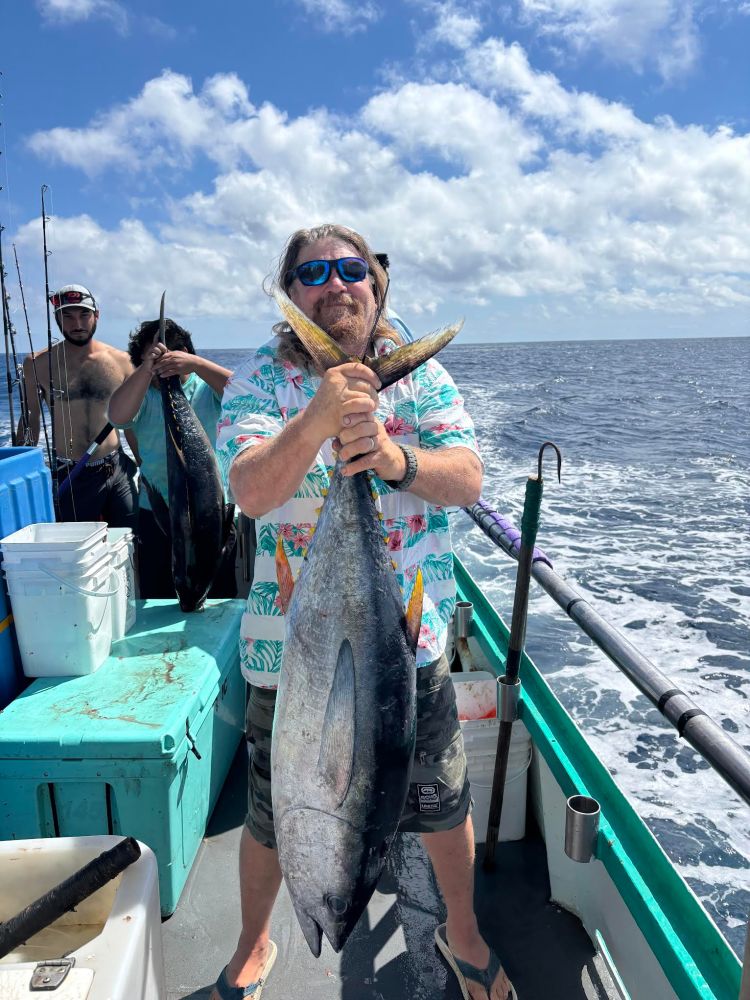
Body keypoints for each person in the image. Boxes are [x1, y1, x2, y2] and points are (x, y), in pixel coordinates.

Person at [213, 224, 516, 1000]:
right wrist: (318, 417)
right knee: (268, 816)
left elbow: (470, 479)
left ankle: (465, 931)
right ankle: (253, 945)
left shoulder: (424, 381)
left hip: (409, 649)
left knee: (443, 801)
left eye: (352, 269)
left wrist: (392, 460)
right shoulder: (259, 379)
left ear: (378, 287)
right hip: (291, 659)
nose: (334, 283)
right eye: (311, 272)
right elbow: (249, 491)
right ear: (292, 294)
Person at [107, 318, 236, 599]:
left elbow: (242, 392)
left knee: (220, 594)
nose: (164, 363)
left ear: (187, 354)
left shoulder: (205, 388)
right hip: (157, 513)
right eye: (151, 357)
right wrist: (145, 371)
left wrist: (198, 364)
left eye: (174, 355)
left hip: (211, 512)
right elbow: (117, 416)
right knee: (158, 595)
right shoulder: (141, 393)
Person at [18, 283, 138, 528]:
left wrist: (144, 464)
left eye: (84, 314)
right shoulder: (37, 364)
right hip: (70, 473)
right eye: (68, 315)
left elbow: (130, 422)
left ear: (96, 316)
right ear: (57, 318)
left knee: (133, 540)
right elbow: (31, 417)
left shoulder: (123, 361)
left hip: (116, 468)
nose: (77, 324)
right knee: (77, 549)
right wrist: (20, 468)